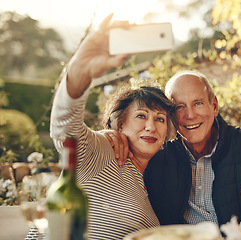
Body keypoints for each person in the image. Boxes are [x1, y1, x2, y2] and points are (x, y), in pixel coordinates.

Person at [25, 14, 176, 240]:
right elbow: (65, 127)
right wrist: (81, 68)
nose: (151, 126)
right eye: (141, 115)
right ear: (120, 123)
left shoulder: (150, 179)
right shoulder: (101, 151)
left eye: (160, 119)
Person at [106, 70, 241, 228]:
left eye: (198, 103)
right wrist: (107, 135)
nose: (190, 115)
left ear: (214, 106)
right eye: (179, 107)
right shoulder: (157, 151)